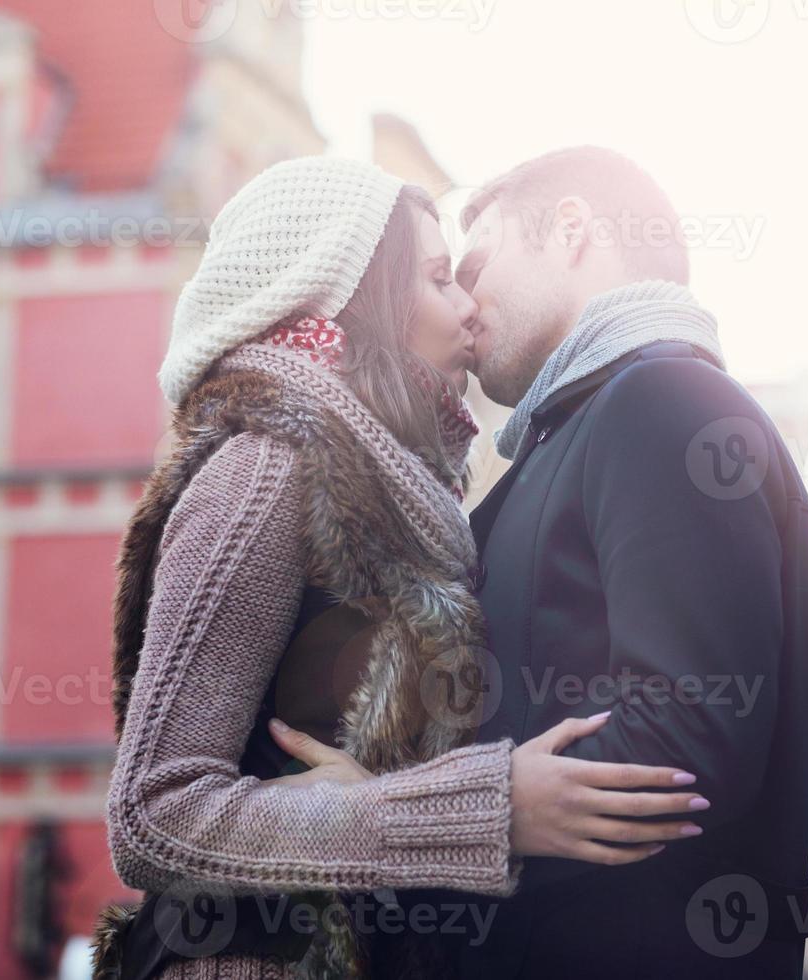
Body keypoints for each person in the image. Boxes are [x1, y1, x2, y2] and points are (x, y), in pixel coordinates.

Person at [98, 157, 706, 980]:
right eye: (436, 278)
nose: (468, 306)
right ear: (351, 299)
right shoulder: (269, 468)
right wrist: (487, 810)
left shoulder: (404, 495)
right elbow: (154, 814)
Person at [444, 146, 808, 978]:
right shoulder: (602, 420)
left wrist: (410, 815)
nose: (462, 306)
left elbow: (685, 741)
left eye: (477, 263)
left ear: (571, 230)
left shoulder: (664, 401)